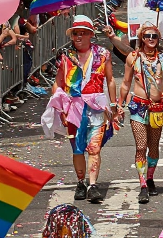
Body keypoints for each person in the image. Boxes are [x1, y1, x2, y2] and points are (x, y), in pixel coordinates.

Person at [43, 15, 117, 204]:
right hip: (74, 108)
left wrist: (114, 104)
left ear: (91, 35)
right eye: (75, 33)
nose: (78, 37)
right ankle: (81, 183)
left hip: (96, 107)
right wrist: (59, 106)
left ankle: (93, 185)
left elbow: (110, 80)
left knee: (94, 148)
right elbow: (58, 82)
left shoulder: (102, 54)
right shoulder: (67, 56)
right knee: (77, 149)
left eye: (83, 33)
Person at [116, 23, 163, 203]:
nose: (151, 39)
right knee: (141, 146)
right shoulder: (133, 57)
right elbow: (125, 83)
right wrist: (119, 105)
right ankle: (143, 184)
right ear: (142, 39)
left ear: (158, 39)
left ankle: (151, 177)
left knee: (153, 146)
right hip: (138, 107)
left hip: (157, 108)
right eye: (148, 36)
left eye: (154, 36)